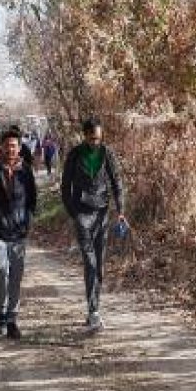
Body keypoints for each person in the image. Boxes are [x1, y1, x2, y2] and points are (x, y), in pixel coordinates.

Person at [60, 117, 125, 332]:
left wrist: (121, 210)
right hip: (82, 214)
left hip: (102, 214)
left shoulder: (107, 154)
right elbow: (65, 185)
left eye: (98, 138)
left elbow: (117, 182)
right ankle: (93, 311)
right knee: (90, 263)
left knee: (100, 266)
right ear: (85, 135)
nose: (95, 142)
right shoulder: (75, 154)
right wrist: (73, 212)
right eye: (91, 138)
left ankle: (95, 307)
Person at [0, 128, 36, 339]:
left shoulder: (26, 170)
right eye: (7, 145)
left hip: (19, 232)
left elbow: (32, 201)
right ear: (1, 147)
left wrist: (28, 221)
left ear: (19, 148)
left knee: (16, 276)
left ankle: (12, 318)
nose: (11, 149)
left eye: (14, 146)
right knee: (1, 271)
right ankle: (0, 312)